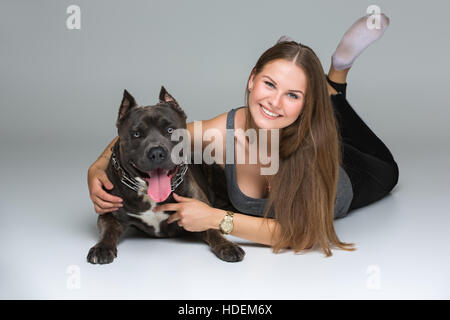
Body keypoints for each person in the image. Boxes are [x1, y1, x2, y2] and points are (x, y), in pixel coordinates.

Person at [87, 13, 399, 257]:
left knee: (387, 167)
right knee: (307, 112)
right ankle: (300, 71)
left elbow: (300, 234)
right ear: (252, 80)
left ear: (305, 104)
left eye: (292, 95)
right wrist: (97, 167)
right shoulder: (218, 133)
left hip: (359, 173)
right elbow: (142, 136)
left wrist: (215, 219)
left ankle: (336, 75)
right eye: (269, 84)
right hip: (299, 122)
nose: (274, 102)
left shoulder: (310, 149)